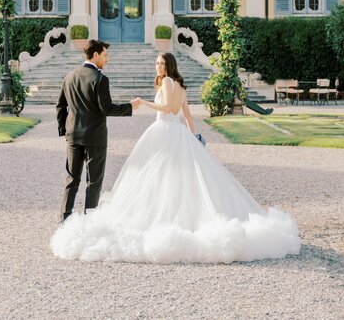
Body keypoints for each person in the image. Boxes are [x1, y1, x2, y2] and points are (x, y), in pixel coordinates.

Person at [51, 51, 300, 264]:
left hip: (165, 131)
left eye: (161, 63)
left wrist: (145, 103)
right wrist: (195, 138)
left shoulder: (169, 83)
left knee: (157, 175)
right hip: (178, 132)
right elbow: (188, 116)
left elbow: (171, 110)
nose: (157, 66)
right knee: (171, 177)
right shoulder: (178, 85)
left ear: (169, 66)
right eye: (157, 63)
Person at [56, 38, 135, 222]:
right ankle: (89, 220)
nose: (108, 59)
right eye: (106, 55)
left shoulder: (69, 76)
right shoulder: (100, 79)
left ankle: (64, 218)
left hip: (73, 136)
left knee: (72, 179)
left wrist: (64, 130)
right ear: (96, 55)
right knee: (94, 181)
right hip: (95, 137)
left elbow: (60, 106)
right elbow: (106, 109)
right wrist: (130, 106)